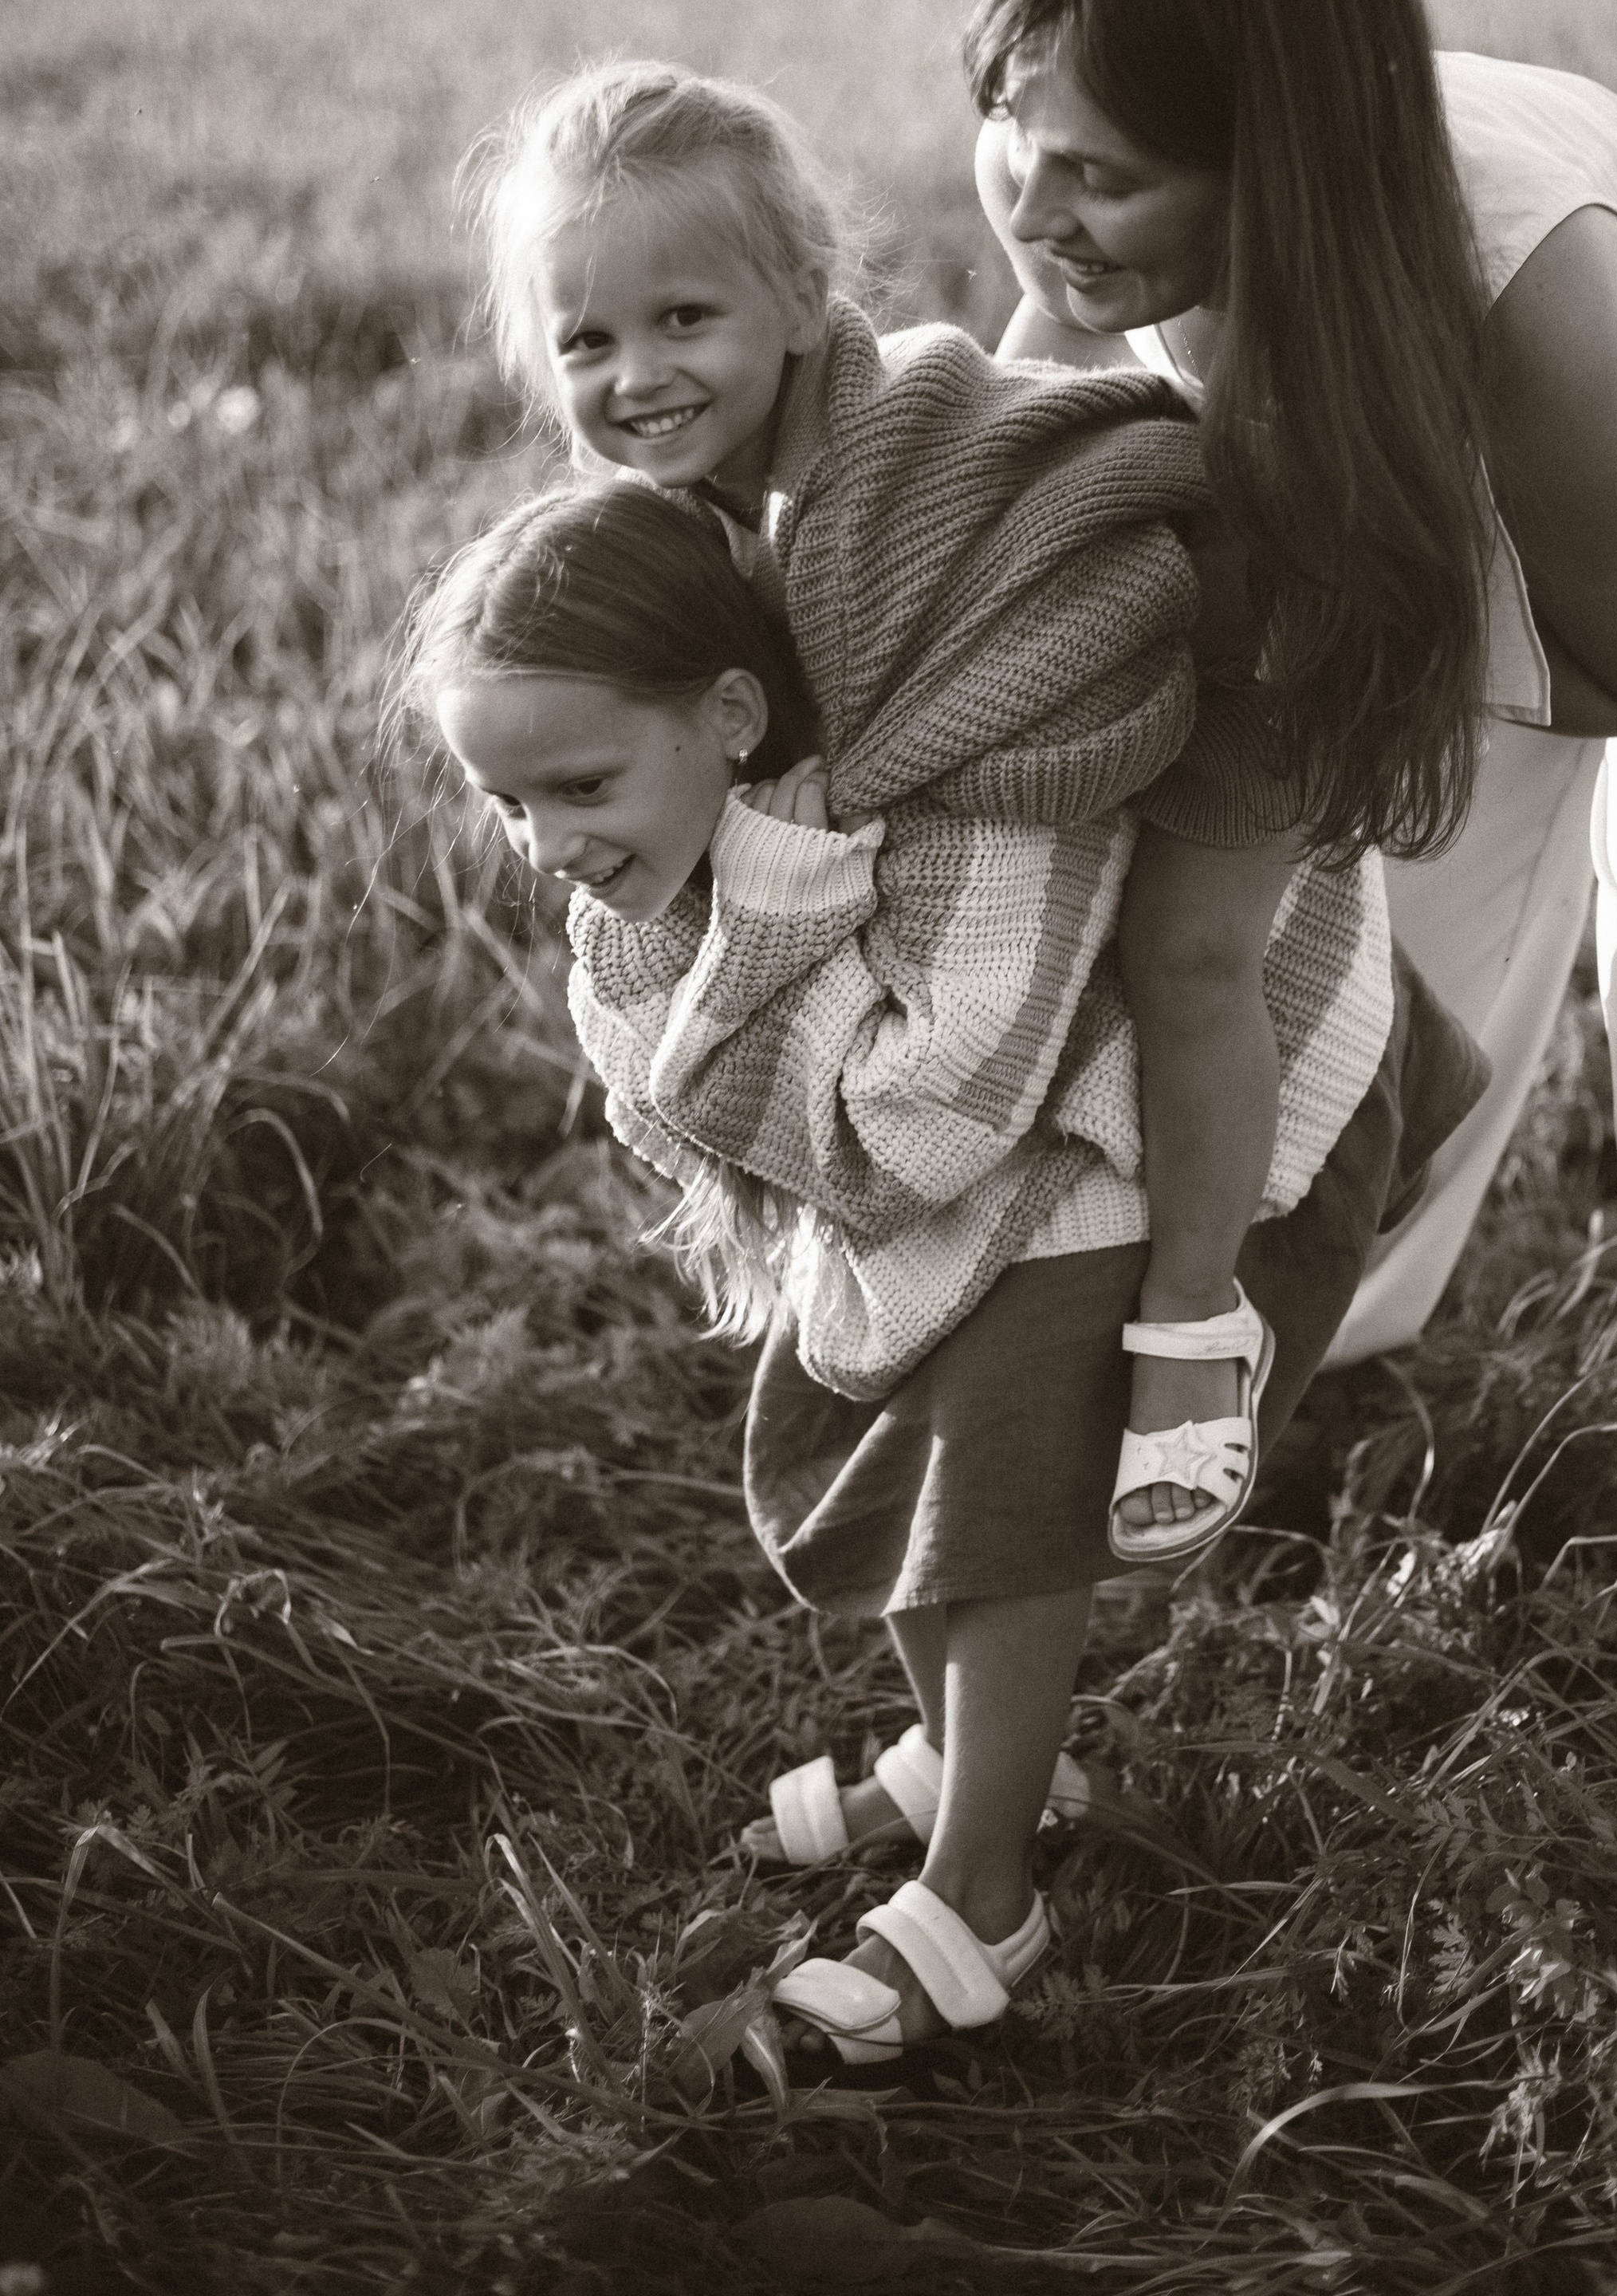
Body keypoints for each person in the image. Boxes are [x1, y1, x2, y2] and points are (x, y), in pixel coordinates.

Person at [970, 0, 1617, 1763]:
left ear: (1279, 166)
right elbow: (1031, 463)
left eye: (1101, 175)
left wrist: (1302, 645)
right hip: (1402, 560)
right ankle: (1236, 1450)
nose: (1037, 210)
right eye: (1013, 135)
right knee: (1351, 1038)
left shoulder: (1518, 273)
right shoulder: (1090, 192)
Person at [401, 481, 1483, 2063]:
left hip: (1158, 1124)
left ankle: (983, 1891)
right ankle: (976, 1753)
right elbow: (666, 1104)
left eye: (578, 784)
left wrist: (764, 940)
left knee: (1003, 1494)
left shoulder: (937, 818)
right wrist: (706, 950)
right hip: (963, 1154)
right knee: (877, 1420)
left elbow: (916, 1126)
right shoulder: (648, 881)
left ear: (725, 714)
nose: (548, 848)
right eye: (508, 808)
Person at [458, 59, 1348, 1554]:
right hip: (1070, 667)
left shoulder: (883, 473)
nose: (638, 374)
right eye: (588, 339)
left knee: (1190, 960)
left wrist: (794, 860)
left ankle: (1196, 1325)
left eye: (686, 319)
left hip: (1213, 633)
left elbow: (961, 632)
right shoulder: (689, 509)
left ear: (805, 302)